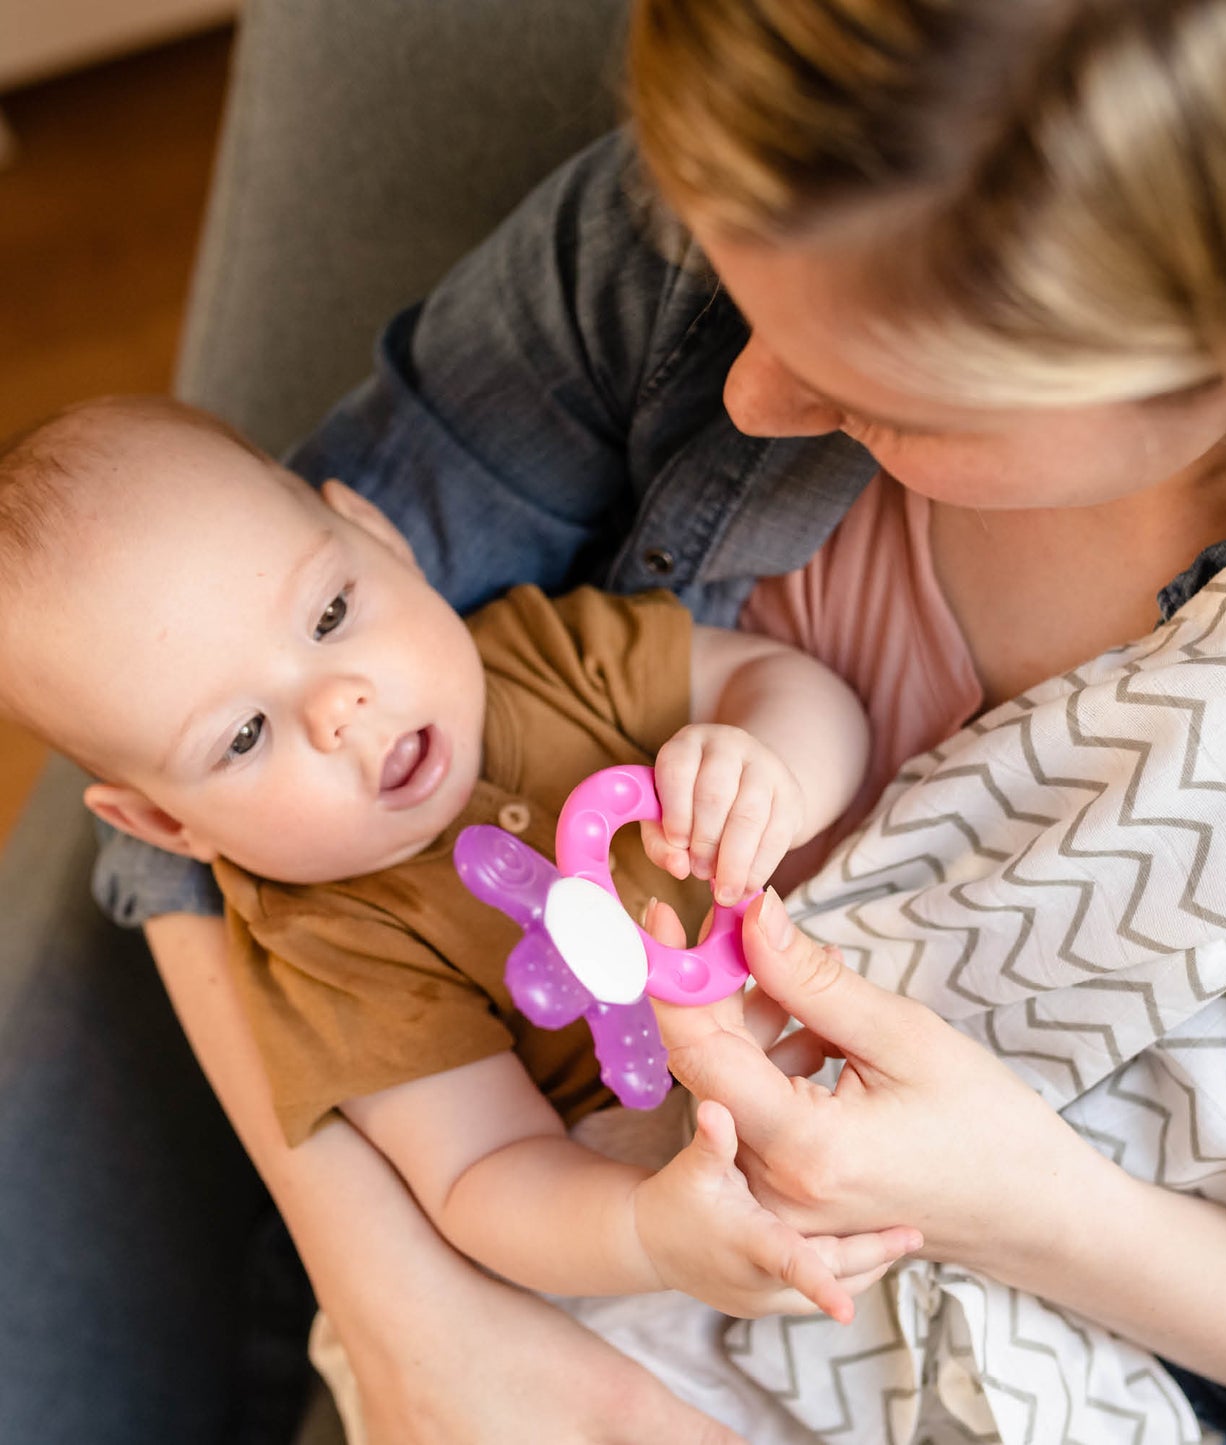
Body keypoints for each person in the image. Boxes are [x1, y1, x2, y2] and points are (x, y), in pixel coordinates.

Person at [66, 1, 1226, 1443]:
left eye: (875, 391)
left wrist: (1021, 1208)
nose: (744, 389)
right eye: (741, 286)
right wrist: (428, 1331)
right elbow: (189, 696)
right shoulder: (680, 243)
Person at [0, 395, 920, 1443]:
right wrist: (647, 1231)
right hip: (616, 1206)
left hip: (813, 1007)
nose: (337, 702)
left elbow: (788, 687)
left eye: (330, 615)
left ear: (379, 534)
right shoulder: (327, 940)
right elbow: (485, 1174)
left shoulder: (542, 652)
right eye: (246, 732)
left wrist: (768, 771)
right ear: (165, 822)